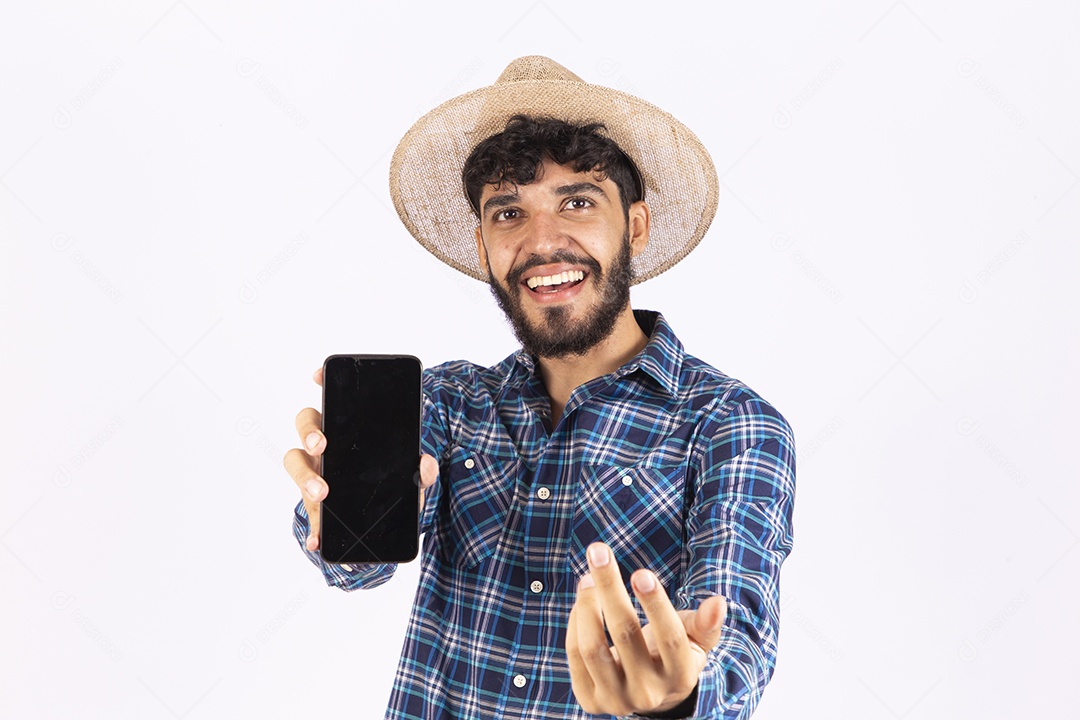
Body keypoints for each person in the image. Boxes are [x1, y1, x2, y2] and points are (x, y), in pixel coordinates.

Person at [283, 56, 796, 719]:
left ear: (635, 225)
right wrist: (335, 512)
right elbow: (359, 564)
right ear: (482, 244)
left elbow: (737, 639)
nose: (542, 241)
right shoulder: (449, 402)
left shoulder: (730, 424)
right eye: (507, 213)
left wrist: (680, 690)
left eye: (576, 202)